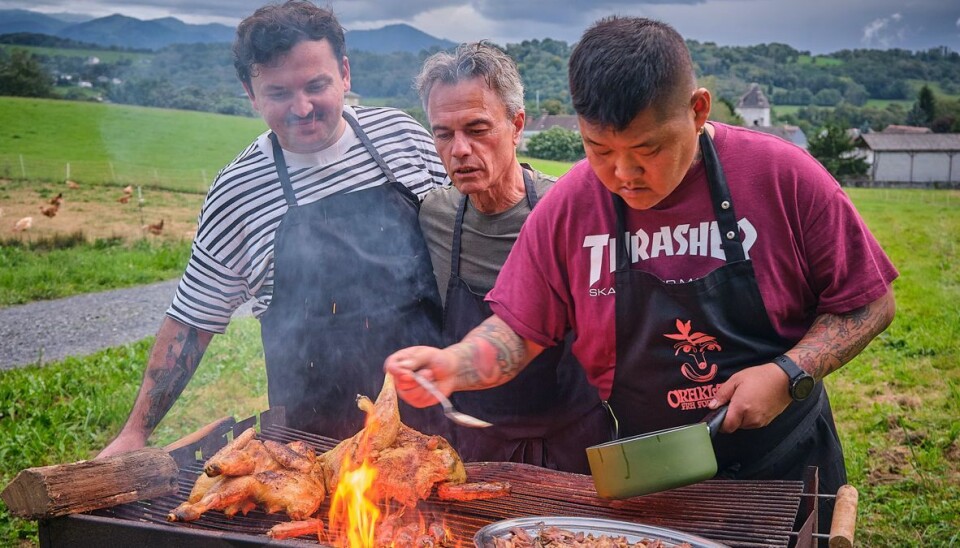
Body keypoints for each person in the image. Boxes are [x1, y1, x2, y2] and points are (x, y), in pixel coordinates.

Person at [386, 16, 897, 531]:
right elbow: (519, 331)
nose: (623, 175)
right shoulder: (569, 209)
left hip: (786, 460)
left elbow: (869, 301)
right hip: (657, 473)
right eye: (599, 150)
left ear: (697, 110)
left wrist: (789, 373)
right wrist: (453, 364)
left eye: (647, 149)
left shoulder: (782, 177)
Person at [100, 0, 447, 457]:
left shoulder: (402, 137)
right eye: (279, 92)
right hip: (315, 443)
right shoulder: (238, 190)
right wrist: (135, 432)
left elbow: (461, 247)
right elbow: (191, 320)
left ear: (344, 73)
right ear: (251, 92)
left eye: (316, 85)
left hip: (436, 420)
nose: (301, 107)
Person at [414, 42, 611, 473]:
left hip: (574, 450)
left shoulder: (570, 211)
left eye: (477, 128)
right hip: (475, 447)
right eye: (443, 133)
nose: (460, 149)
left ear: (517, 125)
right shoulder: (435, 216)